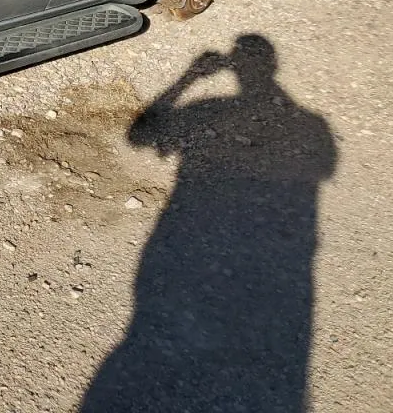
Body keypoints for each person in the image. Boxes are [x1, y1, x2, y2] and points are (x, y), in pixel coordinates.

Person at [79, 34, 337, 412]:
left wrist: (190, 77)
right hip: (276, 253)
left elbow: (138, 136)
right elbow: (325, 168)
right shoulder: (312, 124)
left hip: (190, 227)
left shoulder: (213, 105)